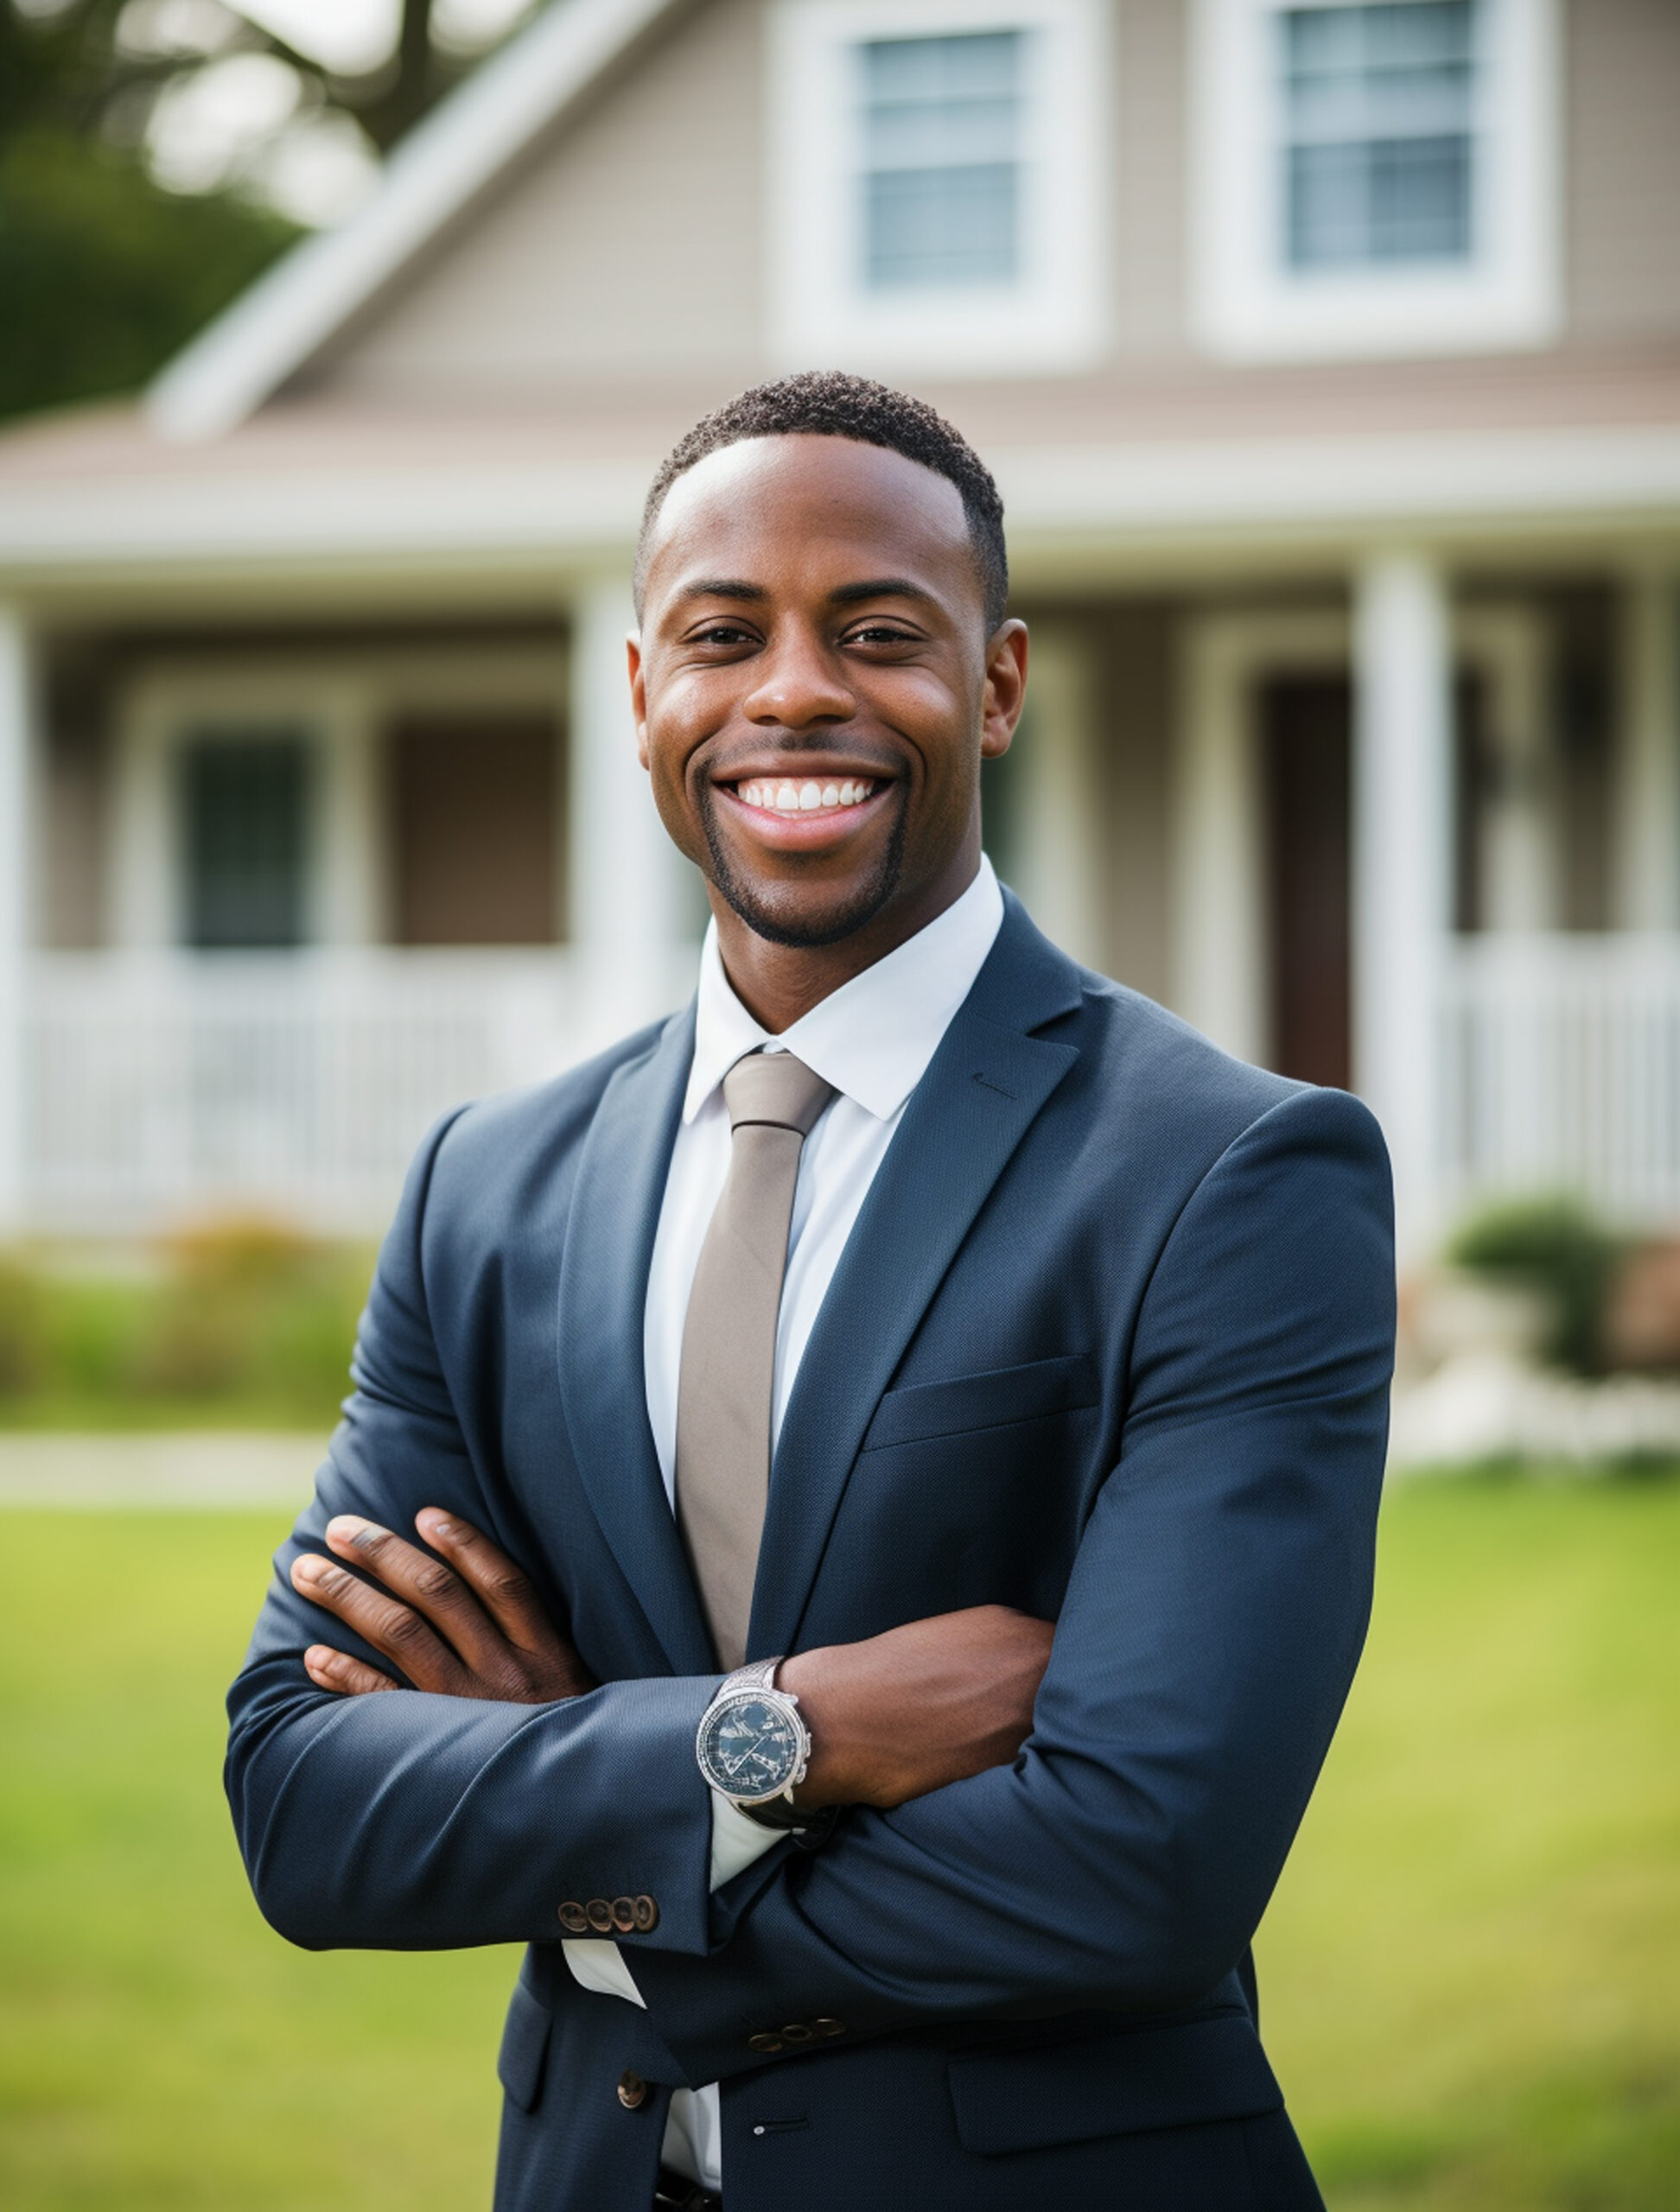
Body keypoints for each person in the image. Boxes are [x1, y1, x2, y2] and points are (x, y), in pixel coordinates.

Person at [226, 372, 1394, 2212]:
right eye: (721, 634)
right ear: (638, 694)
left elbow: (1140, 1865)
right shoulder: (489, 1187)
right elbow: (300, 1802)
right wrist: (787, 1734)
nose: (794, 692)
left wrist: (579, 1858)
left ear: (997, 681)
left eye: (877, 630)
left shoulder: (1229, 1173)